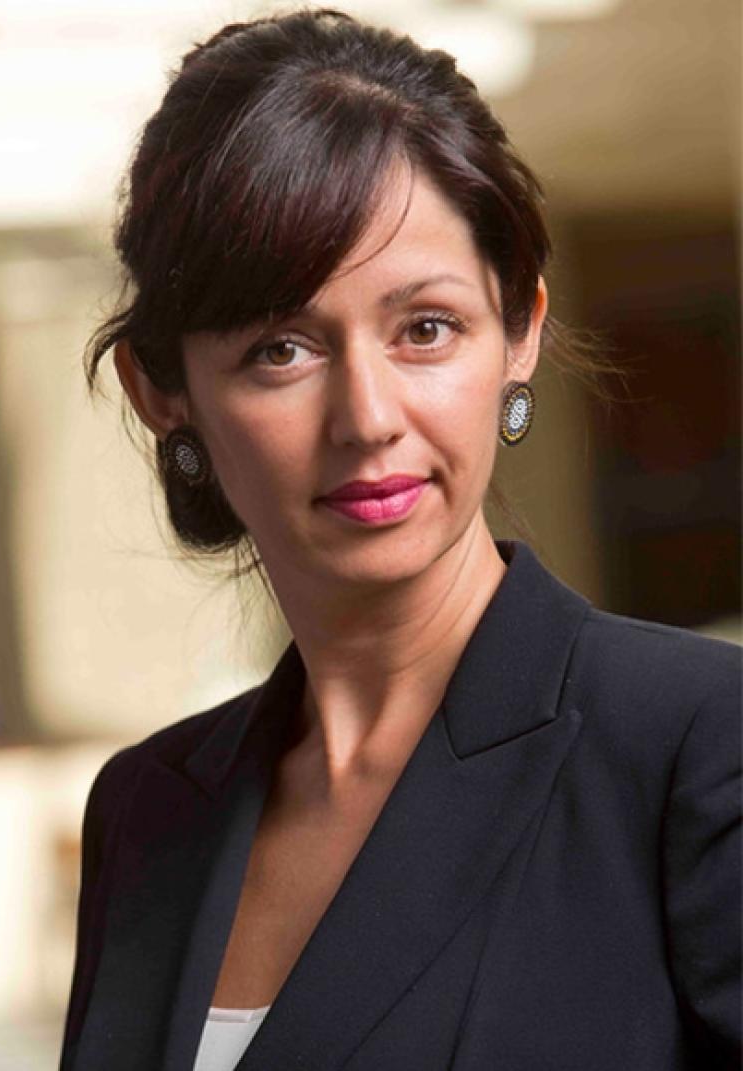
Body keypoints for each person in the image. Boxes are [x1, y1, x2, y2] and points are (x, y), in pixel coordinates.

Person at [59, 10, 741, 1070]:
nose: (368, 418)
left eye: (426, 329)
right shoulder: (146, 810)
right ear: (163, 391)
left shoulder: (695, 745)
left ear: (518, 332)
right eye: (281, 350)